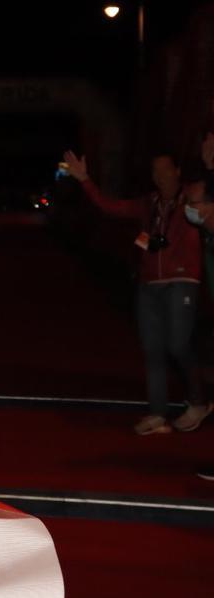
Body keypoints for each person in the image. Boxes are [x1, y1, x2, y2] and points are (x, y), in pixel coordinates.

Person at [66, 149, 212, 434]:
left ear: (177, 171)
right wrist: (84, 179)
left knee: (178, 343)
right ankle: (158, 413)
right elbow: (112, 207)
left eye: (165, 169)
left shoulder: (189, 200)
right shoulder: (149, 203)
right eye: (155, 171)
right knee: (152, 350)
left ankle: (198, 400)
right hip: (149, 284)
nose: (160, 176)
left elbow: (204, 215)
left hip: (182, 281)